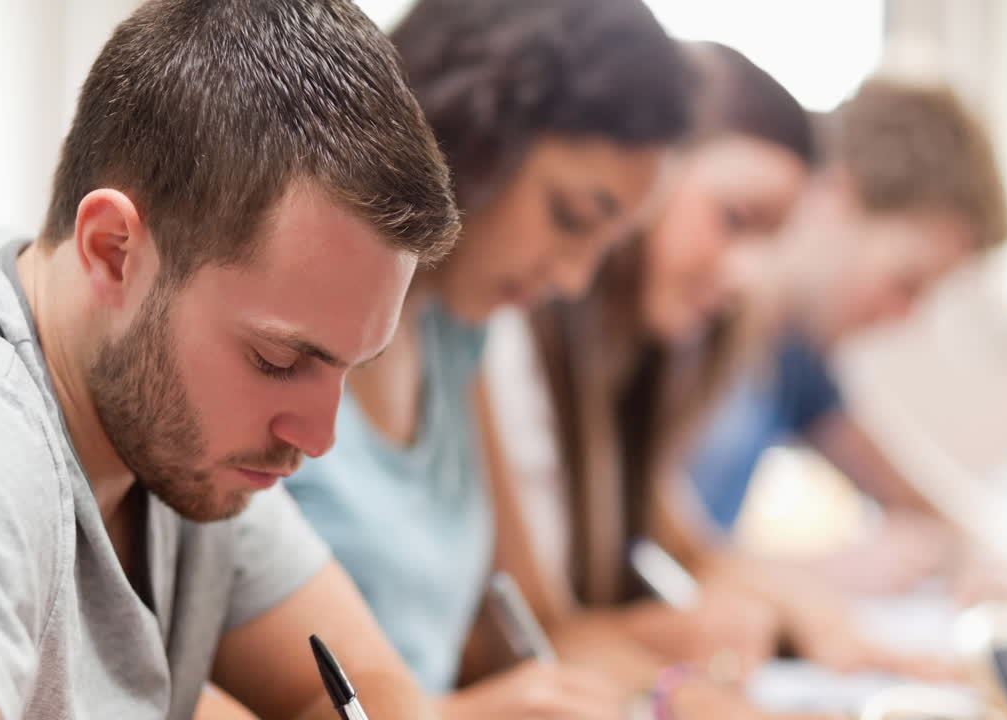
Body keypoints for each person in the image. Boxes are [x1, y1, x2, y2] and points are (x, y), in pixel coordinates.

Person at [0, 1, 461, 719]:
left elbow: (367, 692)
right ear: (113, 251)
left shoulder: (177, 440)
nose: (319, 436)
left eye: (351, 367)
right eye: (278, 360)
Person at [284, 0, 708, 718]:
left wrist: (682, 696)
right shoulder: (278, 325)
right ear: (470, 136)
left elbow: (530, 625)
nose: (574, 281)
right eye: (570, 217)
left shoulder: (455, 327)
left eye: (605, 244)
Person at [482, 40, 818, 697]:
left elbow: (692, 549)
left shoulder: (628, 369)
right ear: (651, 176)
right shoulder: (503, 338)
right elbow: (525, 634)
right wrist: (669, 671)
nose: (745, 276)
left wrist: (816, 618)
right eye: (734, 219)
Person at [686, 79, 1007, 596]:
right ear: (836, 197)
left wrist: (980, 558)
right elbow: (642, 565)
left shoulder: (795, 361)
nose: (903, 317)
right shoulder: (683, 318)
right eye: (905, 282)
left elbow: (907, 496)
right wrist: (817, 575)